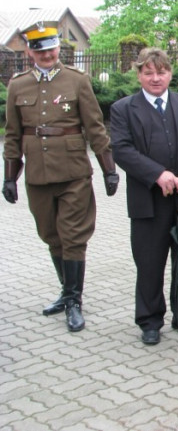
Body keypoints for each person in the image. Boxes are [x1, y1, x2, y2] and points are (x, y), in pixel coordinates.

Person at [2, 21, 119, 333]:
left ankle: (73, 301)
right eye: (40, 50)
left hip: (74, 173)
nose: (47, 54)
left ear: (58, 47)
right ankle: (66, 292)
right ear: (30, 51)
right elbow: (13, 135)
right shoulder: (17, 85)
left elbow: (95, 127)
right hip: (38, 176)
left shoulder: (77, 81)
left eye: (52, 48)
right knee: (50, 235)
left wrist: (110, 169)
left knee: (73, 235)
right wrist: (10, 176)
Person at [110, 48, 178, 346]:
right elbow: (122, 149)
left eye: (161, 72)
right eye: (148, 73)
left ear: (170, 73)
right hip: (148, 201)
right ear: (139, 74)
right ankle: (150, 320)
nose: (156, 78)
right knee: (149, 262)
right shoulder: (123, 109)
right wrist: (157, 174)